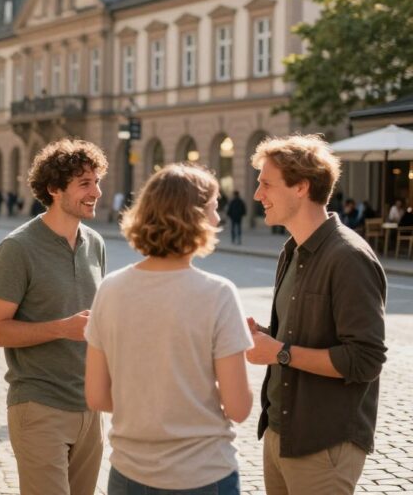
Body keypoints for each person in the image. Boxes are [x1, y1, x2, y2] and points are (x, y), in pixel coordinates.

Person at [84, 164, 253, 495]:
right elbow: (238, 407)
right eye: (213, 208)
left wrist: (149, 408)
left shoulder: (110, 289)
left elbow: (96, 395)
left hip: (129, 474)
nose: (218, 220)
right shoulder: (218, 294)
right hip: (203, 473)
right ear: (194, 217)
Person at [246, 134, 387, 495]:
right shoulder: (291, 251)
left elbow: (365, 360)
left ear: (301, 187)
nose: (257, 195)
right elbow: (296, 339)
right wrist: (263, 336)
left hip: (324, 445)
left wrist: (279, 352)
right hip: (280, 433)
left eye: (266, 184)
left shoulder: (348, 257)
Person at [0, 138, 108, 495]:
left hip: (90, 407)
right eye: (85, 183)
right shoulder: (17, 249)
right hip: (39, 406)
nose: (97, 192)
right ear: (54, 188)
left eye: (97, 181)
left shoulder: (95, 244)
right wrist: (62, 329)